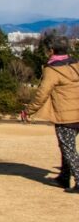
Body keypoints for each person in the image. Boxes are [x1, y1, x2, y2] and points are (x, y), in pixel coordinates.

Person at [26, 35, 79, 191]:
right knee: (66, 147)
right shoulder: (75, 64)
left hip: (66, 115)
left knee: (68, 148)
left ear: (51, 50)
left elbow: (42, 93)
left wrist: (29, 111)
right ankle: (63, 177)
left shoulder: (53, 69)